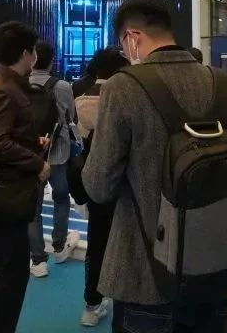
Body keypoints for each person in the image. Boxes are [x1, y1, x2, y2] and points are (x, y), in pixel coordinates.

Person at [83, 0, 227, 333]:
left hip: (145, 276)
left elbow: (99, 186)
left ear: (132, 37)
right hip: (217, 269)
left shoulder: (122, 88)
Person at [0, 21, 51, 333]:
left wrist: (30, 143)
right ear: (25, 53)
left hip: (2, 193)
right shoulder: (4, 89)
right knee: (9, 276)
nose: (35, 57)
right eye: (33, 51)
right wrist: (36, 163)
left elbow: (0, 135)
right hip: (4, 196)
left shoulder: (5, 85)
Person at [73, 48, 130, 327]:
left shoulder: (82, 99)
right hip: (125, 184)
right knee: (128, 245)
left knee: (96, 244)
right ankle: (125, 305)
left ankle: (91, 304)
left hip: (95, 182)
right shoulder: (127, 96)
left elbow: (82, 141)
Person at [28, 40, 80, 278]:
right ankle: (59, 246)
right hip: (58, 152)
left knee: (33, 208)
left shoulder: (21, 84)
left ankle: (38, 260)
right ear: (51, 61)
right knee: (61, 198)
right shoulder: (63, 86)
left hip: (31, 154)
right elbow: (71, 117)